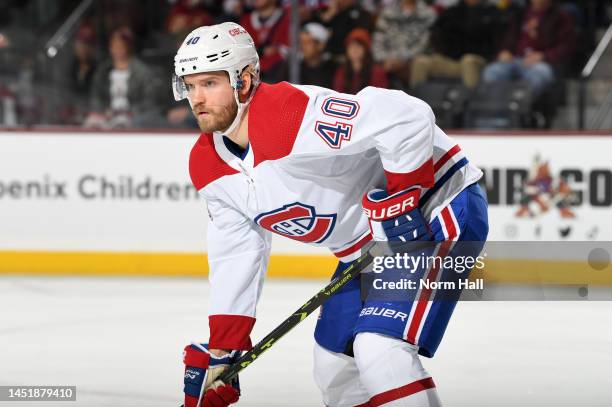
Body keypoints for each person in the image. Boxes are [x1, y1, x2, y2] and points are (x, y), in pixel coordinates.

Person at [175, 22, 488, 407]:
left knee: (380, 348)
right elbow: (236, 251)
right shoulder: (207, 164)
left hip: (436, 208)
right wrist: (224, 350)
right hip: (367, 250)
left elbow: (406, 116)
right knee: (335, 370)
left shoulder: (287, 116)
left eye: (209, 83)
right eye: (189, 86)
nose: (197, 98)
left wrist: (405, 195)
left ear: (244, 80)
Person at [481, 0, 576, 95]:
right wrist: (506, 51)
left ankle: (518, 105)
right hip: (515, 59)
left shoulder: (561, 16)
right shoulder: (520, 13)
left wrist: (543, 56)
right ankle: (496, 106)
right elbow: (509, 38)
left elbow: (566, 47)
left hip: (541, 63)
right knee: (492, 72)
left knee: (539, 74)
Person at [410, 0, 501, 89]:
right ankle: (414, 101)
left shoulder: (492, 12)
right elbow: (438, 35)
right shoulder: (452, 11)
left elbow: (495, 43)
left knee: (468, 60)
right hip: (451, 59)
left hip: (479, 60)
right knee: (421, 61)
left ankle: (469, 101)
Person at [85, 27, 159, 128]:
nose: (117, 49)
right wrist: (101, 110)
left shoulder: (142, 72)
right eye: (114, 45)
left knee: (122, 124)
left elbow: (149, 100)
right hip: (107, 115)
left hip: (133, 117)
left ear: (128, 47)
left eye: (120, 45)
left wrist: (130, 112)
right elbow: (96, 96)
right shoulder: (103, 71)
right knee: (92, 123)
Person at [372, 0, 436, 90]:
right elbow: (378, 38)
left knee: (418, 65)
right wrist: (384, 58)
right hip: (387, 61)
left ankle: (415, 99)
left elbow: (425, 43)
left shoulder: (427, 14)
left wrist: (402, 59)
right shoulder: (388, 13)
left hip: (412, 61)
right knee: (374, 70)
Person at [333, 28, 388, 94]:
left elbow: (380, 96)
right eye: (351, 45)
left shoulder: (377, 72)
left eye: (358, 46)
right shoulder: (341, 71)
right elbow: (338, 95)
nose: (354, 49)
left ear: (366, 49)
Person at [295, 22, 335, 88]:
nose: (303, 46)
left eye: (308, 42)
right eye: (301, 42)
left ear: (321, 45)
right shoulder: (294, 67)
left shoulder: (332, 69)